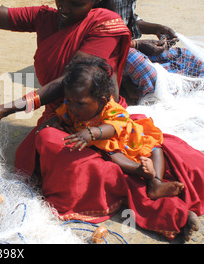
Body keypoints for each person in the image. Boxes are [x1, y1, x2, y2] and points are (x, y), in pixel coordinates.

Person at [0, 0, 204, 241]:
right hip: (66, 115)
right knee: (53, 145)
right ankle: (144, 184)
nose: (64, 8)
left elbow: (70, 80)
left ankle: (159, 201)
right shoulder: (45, 17)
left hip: (100, 113)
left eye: (75, 3)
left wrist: (5, 109)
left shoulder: (104, 25)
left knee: (128, 151)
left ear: (97, 0)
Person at [52, 57, 185, 200]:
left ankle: (156, 183)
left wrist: (93, 132)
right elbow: (60, 116)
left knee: (155, 148)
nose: (72, 107)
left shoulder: (112, 109)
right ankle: (139, 170)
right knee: (112, 154)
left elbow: (114, 127)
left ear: (101, 101)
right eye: (69, 101)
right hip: (108, 146)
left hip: (126, 137)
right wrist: (54, 122)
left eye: (80, 103)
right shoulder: (71, 106)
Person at [110, 0, 204, 103]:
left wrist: (158, 28)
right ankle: (133, 86)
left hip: (128, 48)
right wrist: (139, 45)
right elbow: (103, 38)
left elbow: (129, 19)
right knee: (142, 66)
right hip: (114, 55)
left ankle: (137, 84)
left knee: (189, 59)